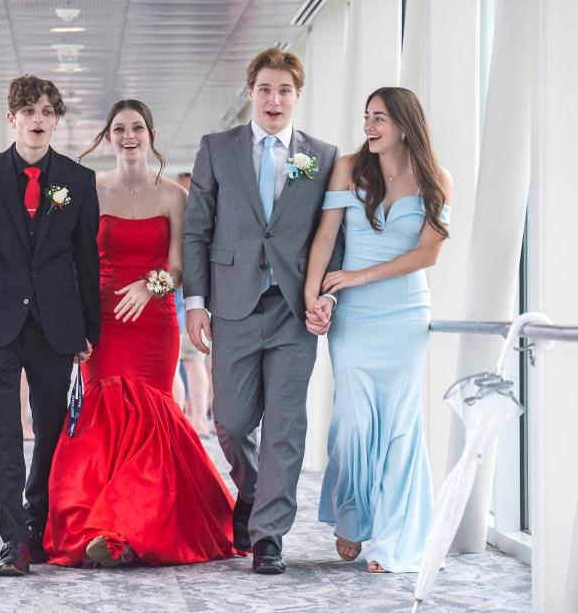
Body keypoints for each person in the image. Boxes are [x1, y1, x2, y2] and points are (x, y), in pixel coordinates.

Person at [44, 99, 236, 568]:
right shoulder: (88, 188)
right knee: (105, 416)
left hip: (152, 323)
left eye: (136, 128)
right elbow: (71, 261)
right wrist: (74, 325)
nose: (128, 136)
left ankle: (128, 528)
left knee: (150, 418)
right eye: (119, 129)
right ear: (107, 137)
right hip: (102, 321)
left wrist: (150, 287)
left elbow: (181, 267)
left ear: (150, 133)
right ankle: (105, 524)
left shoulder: (173, 195)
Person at [183, 47, 343, 574]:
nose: (275, 100)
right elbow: (198, 229)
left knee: (285, 425)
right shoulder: (217, 148)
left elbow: (331, 234)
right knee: (229, 421)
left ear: (298, 96)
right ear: (250, 91)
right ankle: (251, 493)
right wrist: (197, 302)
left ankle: (269, 535)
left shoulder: (322, 155)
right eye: (266, 89)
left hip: (294, 310)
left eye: (286, 91)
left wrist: (326, 295)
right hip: (232, 304)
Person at [0, 75, 100, 576]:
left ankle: (37, 523)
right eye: (28, 111)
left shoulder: (78, 182)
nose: (37, 120)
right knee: (4, 434)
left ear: (56, 120)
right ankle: (12, 539)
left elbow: (87, 261)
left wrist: (88, 332)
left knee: (53, 428)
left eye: (46, 112)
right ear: (11, 118)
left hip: (56, 324)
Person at [304, 87, 452, 573]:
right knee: (352, 421)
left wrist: (359, 276)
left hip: (406, 315)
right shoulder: (349, 167)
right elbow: (326, 235)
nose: (369, 126)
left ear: (405, 125)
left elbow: (428, 254)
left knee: (400, 426)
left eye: (380, 118)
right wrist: (314, 294)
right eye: (367, 117)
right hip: (355, 319)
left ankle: (395, 541)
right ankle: (351, 513)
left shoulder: (437, 179)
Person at [174, 171, 213, 436]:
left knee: (176, 367)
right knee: (195, 364)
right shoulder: (205, 223)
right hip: (197, 306)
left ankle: (184, 417)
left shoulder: (177, 225)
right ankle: (198, 419)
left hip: (180, 309)